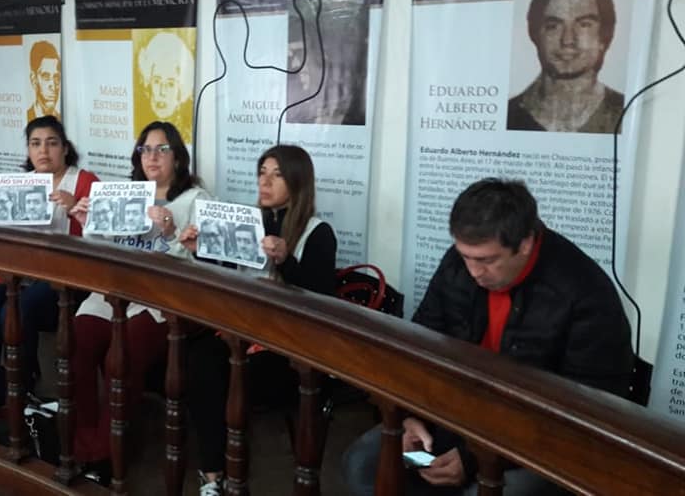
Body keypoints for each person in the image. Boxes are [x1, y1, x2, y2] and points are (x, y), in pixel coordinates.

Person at [342, 178, 633, 496]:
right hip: (453, 420)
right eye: (465, 256)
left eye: (487, 260)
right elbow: (420, 346)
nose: (474, 271)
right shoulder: (458, 264)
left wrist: (474, 459)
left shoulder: (586, 294)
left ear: (525, 243)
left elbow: (584, 415)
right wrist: (408, 415)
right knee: (362, 464)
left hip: (534, 445)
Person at [177, 145, 337, 495]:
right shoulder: (251, 220)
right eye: (262, 173)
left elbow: (323, 300)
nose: (265, 182)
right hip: (242, 330)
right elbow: (230, 267)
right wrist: (200, 250)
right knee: (199, 362)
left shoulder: (317, 232)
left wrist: (286, 261)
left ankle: (236, 477)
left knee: (233, 377)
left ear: (298, 181)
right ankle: (213, 477)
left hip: (289, 347)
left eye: (277, 175)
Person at [65, 120, 210, 484]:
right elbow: (104, 249)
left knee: (123, 354)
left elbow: (205, 264)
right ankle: (83, 444)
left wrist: (171, 232)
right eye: (145, 149)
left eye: (162, 149)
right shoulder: (125, 193)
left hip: (162, 299)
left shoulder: (197, 200)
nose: (152, 157)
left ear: (178, 157)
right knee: (77, 341)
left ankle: (105, 454)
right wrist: (88, 223)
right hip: (116, 290)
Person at [0, 115, 98, 415]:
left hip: (64, 279)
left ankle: (21, 391)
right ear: (28, 150)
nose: (43, 151)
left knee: (14, 312)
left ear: (65, 148)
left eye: (52, 143)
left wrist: (75, 208)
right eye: (36, 144)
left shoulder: (84, 181)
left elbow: (102, 237)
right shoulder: (19, 184)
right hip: (14, 273)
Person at [507, 0, 624, 134]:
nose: (568, 40)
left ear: (604, 36)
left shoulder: (627, 112)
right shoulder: (508, 115)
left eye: (584, 25)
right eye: (553, 26)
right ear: (535, 35)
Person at [136, 32, 194, 136]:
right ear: (148, 84)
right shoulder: (138, 126)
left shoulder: (188, 133)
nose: (162, 92)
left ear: (181, 89)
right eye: (157, 81)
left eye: (170, 84)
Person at [27, 40, 62, 122]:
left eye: (56, 77)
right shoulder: (27, 117)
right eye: (46, 77)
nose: (53, 86)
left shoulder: (62, 122)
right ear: (34, 80)